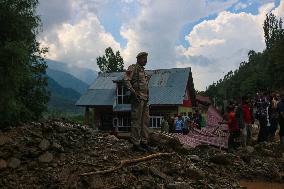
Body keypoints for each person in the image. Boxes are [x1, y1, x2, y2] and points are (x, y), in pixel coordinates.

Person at [124, 51, 153, 152]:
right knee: (136, 121)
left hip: (145, 99)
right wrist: (133, 92)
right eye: (144, 58)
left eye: (146, 59)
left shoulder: (143, 71)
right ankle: (136, 144)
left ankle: (144, 143)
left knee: (145, 122)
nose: (145, 60)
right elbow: (126, 80)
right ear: (138, 59)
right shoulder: (133, 68)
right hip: (138, 99)